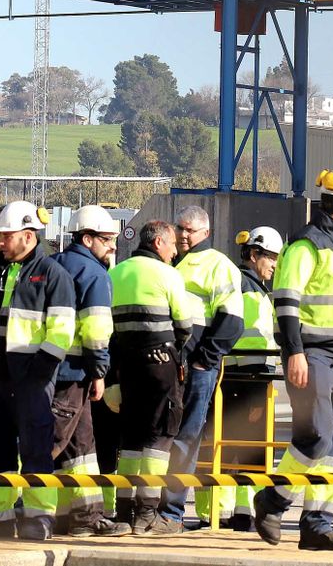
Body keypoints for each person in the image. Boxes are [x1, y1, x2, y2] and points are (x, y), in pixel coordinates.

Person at [251, 167, 333, 553]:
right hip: (312, 356)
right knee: (317, 435)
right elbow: (287, 304)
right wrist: (294, 353)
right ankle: (272, 500)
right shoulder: (306, 246)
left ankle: (317, 526)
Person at [0, 200, 74, 541]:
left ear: (27, 235)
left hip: (31, 381)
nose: (0, 243)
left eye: (6, 237)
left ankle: (39, 518)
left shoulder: (53, 274)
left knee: (36, 450)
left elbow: (62, 330)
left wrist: (38, 374)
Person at [156, 206, 244, 533]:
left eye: (189, 230)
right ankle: (158, 508)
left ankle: (172, 513)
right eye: (179, 228)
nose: (182, 234)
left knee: (185, 437)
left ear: (205, 233)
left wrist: (204, 358)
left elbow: (233, 320)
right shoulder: (170, 263)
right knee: (165, 436)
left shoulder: (217, 265)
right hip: (170, 364)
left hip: (196, 367)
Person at [107, 220, 195, 533]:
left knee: (131, 437)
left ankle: (125, 511)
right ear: (158, 243)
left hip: (126, 365)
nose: (175, 251)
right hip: (161, 364)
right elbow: (185, 325)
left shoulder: (115, 273)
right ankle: (147, 513)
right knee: (160, 435)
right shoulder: (167, 274)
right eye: (172, 244)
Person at [197, 225, 282, 532]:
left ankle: (221, 514)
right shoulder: (251, 292)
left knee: (220, 446)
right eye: (270, 257)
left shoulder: (241, 285)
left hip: (230, 378)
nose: (274, 264)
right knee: (246, 449)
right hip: (248, 379)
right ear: (253, 254)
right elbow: (255, 343)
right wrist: (259, 388)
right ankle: (237, 514)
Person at [50, 205, 129, 537]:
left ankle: (83, 517)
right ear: (87, 238)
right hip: (74, 372)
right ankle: (14, 508)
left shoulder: (51, 265)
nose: (113, 246)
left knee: (81, 446)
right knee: (50, 442)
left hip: (50, 370)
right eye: (107, 239)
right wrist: (100, 372)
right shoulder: (94, 274)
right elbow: (97, 331)